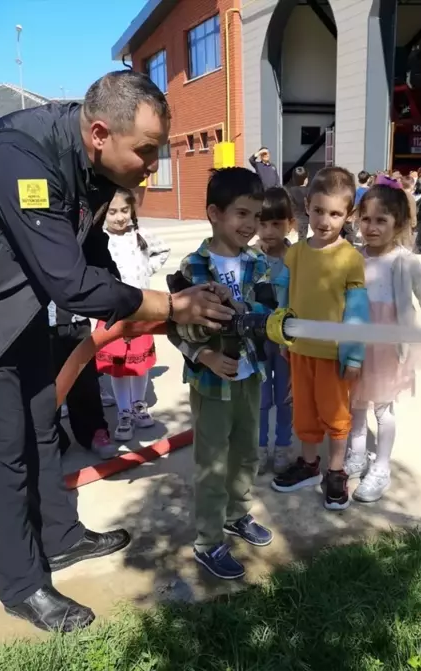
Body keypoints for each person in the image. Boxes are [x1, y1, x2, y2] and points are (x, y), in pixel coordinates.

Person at [0, 70, 234, 632]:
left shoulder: (87, 160)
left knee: (41, 422)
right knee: (0, 453)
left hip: (15, 299)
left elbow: (91, 250)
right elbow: (70, 283)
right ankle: (23, 586)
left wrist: (144, 309)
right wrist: (168, 306)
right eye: (146, 151)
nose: (153, 166)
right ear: (99, 133)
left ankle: (61, 538)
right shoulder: (22, 158)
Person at [167, 167, 274, 581]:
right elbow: (174, 327)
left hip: (250, 377)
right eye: (241, 214)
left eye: (256, 217)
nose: (249, 225)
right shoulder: (193, 267)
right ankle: (208, 541)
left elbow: (266, 313)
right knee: (212, 462)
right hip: (211, 383)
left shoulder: (258, 263)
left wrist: (258, 317)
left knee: (247, 452)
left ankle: (238, 515)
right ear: (214, 212)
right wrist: (206, 356)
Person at [346, 185, 421, 501]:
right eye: (366, 219)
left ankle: (381, 467)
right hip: (356, 343)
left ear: (399, 223)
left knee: (383, 407)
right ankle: (356, 452)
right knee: (355, 402)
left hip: (389, 348)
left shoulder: (405, 262)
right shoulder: (353, 257)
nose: (372, 227)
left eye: (381, 220)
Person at [271, 167, 369, 510]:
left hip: (333, 355)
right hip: (299, 351)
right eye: (318, 210)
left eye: (335, 213)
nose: (325, 220)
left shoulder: (350, 258)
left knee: (336, 414)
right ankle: (310, 465)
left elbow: (358, 311)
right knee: (305, 412)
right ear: (307, 206)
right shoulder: (296, 253)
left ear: (349, 215)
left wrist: (354, 355)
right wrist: (282, 337)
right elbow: (284, 298)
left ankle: (336, 470)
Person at [95, 188, 170, 441]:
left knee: (139, 365)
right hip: (113, 314)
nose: (119, 217)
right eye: (112, 212)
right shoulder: (99, 238)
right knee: (118, 368)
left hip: (141, 309)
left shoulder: (141, 235)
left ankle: (139, 404)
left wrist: (147, 269)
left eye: (124, 211)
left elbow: (163, 250)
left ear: (132, 211)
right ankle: (124, 411)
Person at [252, 187, 293, 475]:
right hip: (256, 340)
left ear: (290, 223)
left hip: (288, 341)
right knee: (261, 398)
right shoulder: (249, 256)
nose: (268, 231)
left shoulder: (297, 256)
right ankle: (259, 447)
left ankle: (283, 446)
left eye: (276, 223)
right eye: (262, 223)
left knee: (286, 396)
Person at [49, 303, 117, 460]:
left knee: (86, 380)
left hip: (77, 317)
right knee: (48, 386)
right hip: (42, 322)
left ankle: (94, 432)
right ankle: (52, 439)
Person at [286, 166, 309, 240]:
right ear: (306, 180)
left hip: (294, 220)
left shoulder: (290, 191)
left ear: (293, 179)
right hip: (306, 220)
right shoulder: (310, 191)